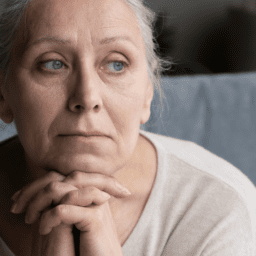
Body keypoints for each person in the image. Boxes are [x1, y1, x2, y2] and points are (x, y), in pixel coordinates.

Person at [0, 0, 255, 255]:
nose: (87, 98)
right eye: (53, 64)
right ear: (3, 94)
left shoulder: (218, 209)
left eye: (116, 64)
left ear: (148, 92)